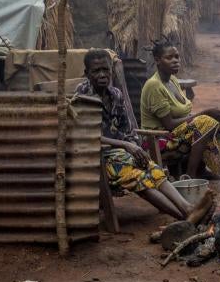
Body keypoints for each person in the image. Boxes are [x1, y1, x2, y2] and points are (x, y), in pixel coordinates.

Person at [76, 49, 208, 221]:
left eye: (105, 70)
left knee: (153, 169)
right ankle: (184, 217)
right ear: (87, 73)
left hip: (123, 152)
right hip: (97, 155)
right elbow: (85, 136)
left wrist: (135, 148)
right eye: (96, 71)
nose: (102, 74)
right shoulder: (83, 96)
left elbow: (128, 129)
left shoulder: (115, 94)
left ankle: (187, 208)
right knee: (138, 177)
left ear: (111, 70)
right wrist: (125, 145)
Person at [140, 40, 220, 179]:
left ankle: (200, 170)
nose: (175, 61)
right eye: (169, 58)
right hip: (158, 139)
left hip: (175, 133)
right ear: (157, 60)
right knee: (206, 122)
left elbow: (184, 114)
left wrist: (208, 116)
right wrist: (206, 113)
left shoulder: (172, 79)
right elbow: (169, 125)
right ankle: (190, 176)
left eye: (177, 57)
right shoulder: (154, 85)